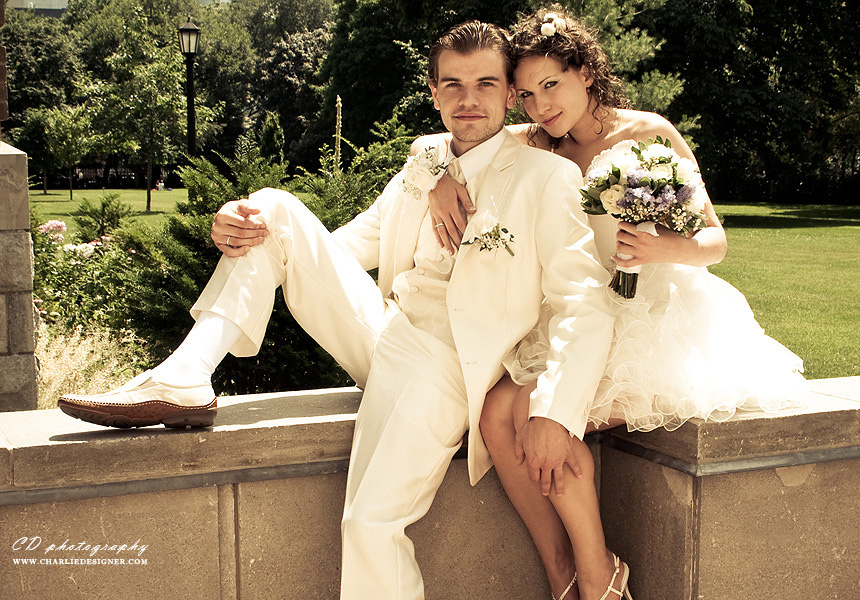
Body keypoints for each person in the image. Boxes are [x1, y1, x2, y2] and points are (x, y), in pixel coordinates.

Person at [59, 20, 617, 599]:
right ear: (431, 92)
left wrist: (556, 412)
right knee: (270, 208)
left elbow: (585, 302)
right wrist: (248, 232)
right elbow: (341, 249)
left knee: (369, 522)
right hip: (385, 332)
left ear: (509, 94)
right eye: (451, 85)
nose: (468, 100)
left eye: (485, 84)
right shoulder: (422, 166)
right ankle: (184, 378)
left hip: (451, 365)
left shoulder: (545, 177)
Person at [414, 6, 807, 600]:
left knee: (537, 416)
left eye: (552, 85)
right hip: (578, 310)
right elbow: (446, 139)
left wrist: (660, 244)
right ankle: (561, 570)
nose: (541, 106)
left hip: (650, 310)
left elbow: (715, 242)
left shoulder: (649, 134)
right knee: (495, 415)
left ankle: (596, 573)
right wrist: (440, 174)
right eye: (526, 94)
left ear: (587, 72)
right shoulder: (537, 142)